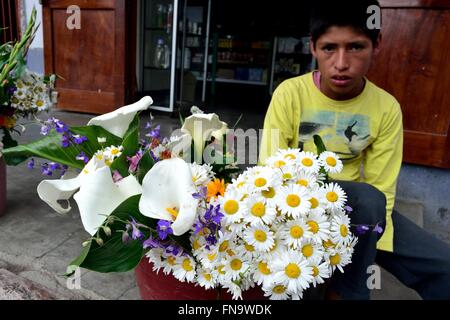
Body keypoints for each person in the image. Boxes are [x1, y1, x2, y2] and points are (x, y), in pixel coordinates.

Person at [259, 0, 450, 299]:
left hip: (362, 210)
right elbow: (272, 175)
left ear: (377, 44)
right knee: (301, 287)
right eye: (329, 48)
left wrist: (370, 245)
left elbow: (381, 188)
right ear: (313, 47)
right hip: (300, 210)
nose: (341, 63)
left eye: (356, 47)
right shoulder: (289, 94)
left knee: (444, 267)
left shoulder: (386, 107)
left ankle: (348, 288)